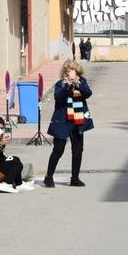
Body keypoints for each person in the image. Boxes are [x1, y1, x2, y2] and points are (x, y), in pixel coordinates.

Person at [45, 59, 93, 187]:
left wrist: (77, 84)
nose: (68, 73)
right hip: (62, 121)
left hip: (77, 121)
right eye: (66, 70)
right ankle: (48, 177)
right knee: (58, 150)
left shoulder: (82, 82)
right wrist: (67, 85)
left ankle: (75, 178)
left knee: (78, 150)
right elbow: (58, 97)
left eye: (71, 70)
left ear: (76, 71)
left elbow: (88, 93)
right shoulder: (61, 84)